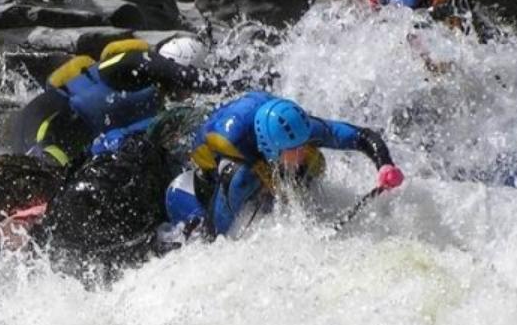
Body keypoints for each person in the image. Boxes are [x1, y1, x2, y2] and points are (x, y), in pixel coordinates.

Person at [163, 92, 404, 239]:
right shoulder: (236, 154)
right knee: (245, 182)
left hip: (258, 134)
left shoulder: (298, 128)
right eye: (294, 150)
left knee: (314, 163)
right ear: (271, 148)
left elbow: (361, 136)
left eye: (302, 145)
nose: (302, 152)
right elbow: (218, 239)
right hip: (208, 166)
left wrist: (385, 165)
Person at [12, 36, 216, 168]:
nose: (189, 95)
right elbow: (150, 66)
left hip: (59, 140)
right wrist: (212, 82)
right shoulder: (131, 66)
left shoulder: (157, 105)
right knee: (44, 178)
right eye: (188, 88)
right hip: (45, 122)